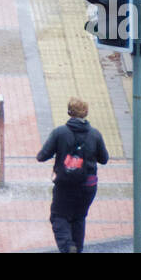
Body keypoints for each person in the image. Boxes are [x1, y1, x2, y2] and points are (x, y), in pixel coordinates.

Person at [37, 97, 109, 252]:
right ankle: (77, 248)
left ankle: (68, 247)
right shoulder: (95, 134)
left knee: (58, 217)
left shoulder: (60, 132)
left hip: (65, 185)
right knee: (79, 218)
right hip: (88, 186)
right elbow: (104, 159)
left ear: (69, 112)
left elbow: (41, 156)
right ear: (86, 113)